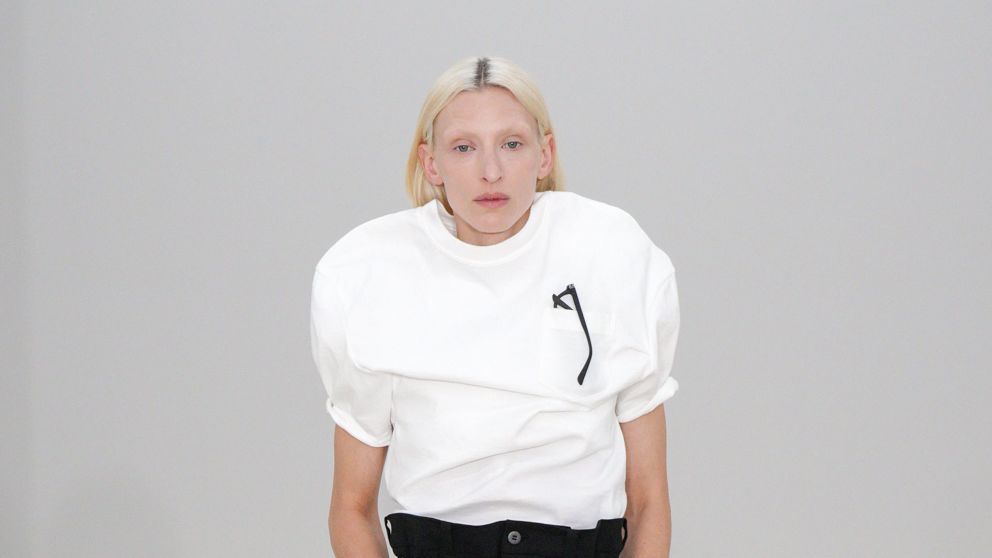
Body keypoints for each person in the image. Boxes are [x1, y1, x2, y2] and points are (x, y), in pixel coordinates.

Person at [310, 55, 681, 558]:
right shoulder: (369, 272)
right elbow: (351, 506)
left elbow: (649, 499)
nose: (491, 172)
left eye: (511, 144)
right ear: (431, 164)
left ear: (545, 155)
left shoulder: (611, 252)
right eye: (464, 147)